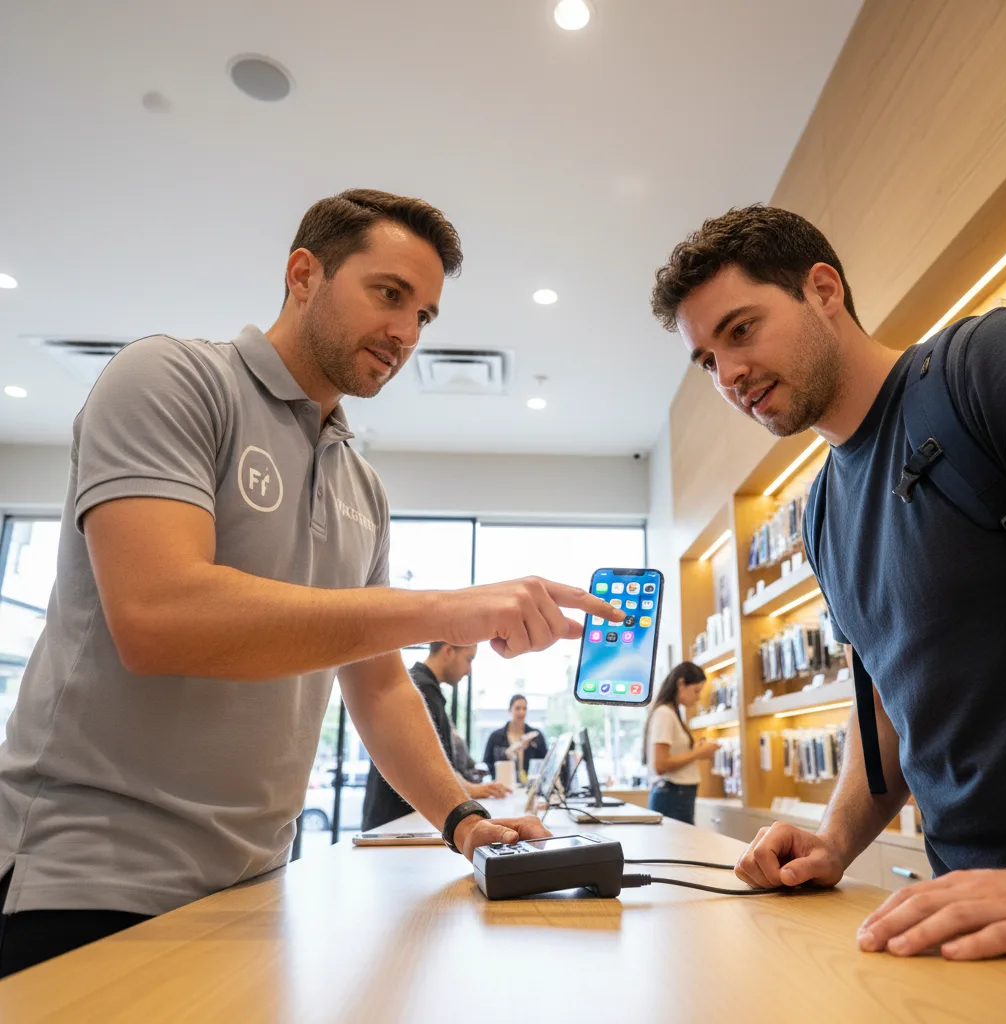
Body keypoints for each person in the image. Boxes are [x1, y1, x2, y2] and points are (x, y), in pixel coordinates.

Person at [0, 188, 622, 977]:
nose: (405, 333)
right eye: (389, 294)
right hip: (90, 883)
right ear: (304, 274)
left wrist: (462, 820)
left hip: (255, 885)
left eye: (425, 315)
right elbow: (159, 616)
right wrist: (441, 607)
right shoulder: (172, 380)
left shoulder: (363, 488)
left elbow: (379, 685)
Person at [651, 204, 1006, 961]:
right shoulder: (819, 511)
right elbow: (887, 702)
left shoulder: (987, 366)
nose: (729, 376)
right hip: (964, 911)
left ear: (823, 289)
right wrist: (834, 840)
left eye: (741, 330)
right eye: (706, 361)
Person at [361, 643, 509, 830]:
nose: (469, 670)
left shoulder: (424, 687)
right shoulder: (422, 689)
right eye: (468, 659)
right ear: (448, 651)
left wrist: (470, 790)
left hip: (398, 820)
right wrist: (469, 793)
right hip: (396, 822)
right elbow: (426, 764)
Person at [643, 663, 720, 824]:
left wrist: (695, 750)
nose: (698, 697)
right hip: (673, 795)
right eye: (696, 691)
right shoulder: (665, 714)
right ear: (681, 683)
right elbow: (661, 764)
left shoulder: (671, 713)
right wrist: (698, 753)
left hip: (677, 795)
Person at [482, 695, 547, 782]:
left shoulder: (536, 736)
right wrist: (507, 754)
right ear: (510, 710)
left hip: (529, 786)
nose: (522, 712)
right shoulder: (495, 737)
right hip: (503, 784)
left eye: (524, 708)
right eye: (517, 708)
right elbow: (487, 763)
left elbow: (545, 762)